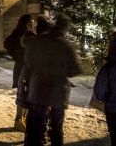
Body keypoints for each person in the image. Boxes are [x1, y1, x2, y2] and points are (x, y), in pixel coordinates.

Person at [21, 13, 82, 146]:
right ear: (65, 29)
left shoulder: (38, 41)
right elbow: (75, 70)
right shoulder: (67, 46)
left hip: (38, 88)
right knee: (56, 127)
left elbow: (28, 61)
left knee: (35, 125)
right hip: (58, 91)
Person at [4, 14, 35, 131]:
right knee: (22, 94)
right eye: (29, 24)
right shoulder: (18, 35)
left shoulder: (30, 35)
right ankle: (18, 120)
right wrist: (17, 54)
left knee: (29, 94)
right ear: (24, 24)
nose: (31, 26)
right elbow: (7, 43)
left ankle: (24, 118)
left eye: (32, 24)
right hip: (22, 68)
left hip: (28, 69)